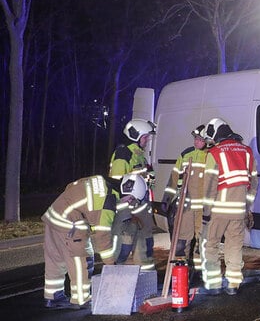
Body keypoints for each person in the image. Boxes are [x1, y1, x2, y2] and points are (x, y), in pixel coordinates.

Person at [41, 174, 146, 309]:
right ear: (128, 194)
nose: (129, 203)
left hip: (53, 216)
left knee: (56, 260)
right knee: (82, 259)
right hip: (71, 223)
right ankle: (81, 299)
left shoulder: (101, 181)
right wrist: (110, 263)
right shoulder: (107, 203)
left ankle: (53, 297)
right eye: (131, 199)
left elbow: (71, 187)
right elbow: (102, 236)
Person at [199, 117, 259, 295]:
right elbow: (253, 183)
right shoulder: (246, 151)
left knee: (211, 245)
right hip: (238, 210)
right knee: (234, 246)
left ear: (215, 134)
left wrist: (206, 212)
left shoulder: (214, 153)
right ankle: (233, 284)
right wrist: (246, 207)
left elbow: (210, 185)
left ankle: (214, 284)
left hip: (218, 210)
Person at [109, 118, 157, 272]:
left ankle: (146, 275)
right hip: (128, 209)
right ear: (135, 136)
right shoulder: (123, 154)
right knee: (123, 246)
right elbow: (116, 183)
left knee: (144, 245)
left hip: (141, 208)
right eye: (145, 137)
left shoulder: (139, 155)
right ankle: (115, 275)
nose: (147, 140)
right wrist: (126, 210)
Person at [162, 125, 209, 273]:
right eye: (195, 139)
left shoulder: (211, 156)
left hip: (203, 209)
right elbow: (174, 177)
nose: (196, 142)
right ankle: (181, 272)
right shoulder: (186, 154)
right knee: (182, 241)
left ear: (207, 141)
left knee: (202, 242)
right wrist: (167, 198)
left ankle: (200, 273)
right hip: (186, 207)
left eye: (200, 139)